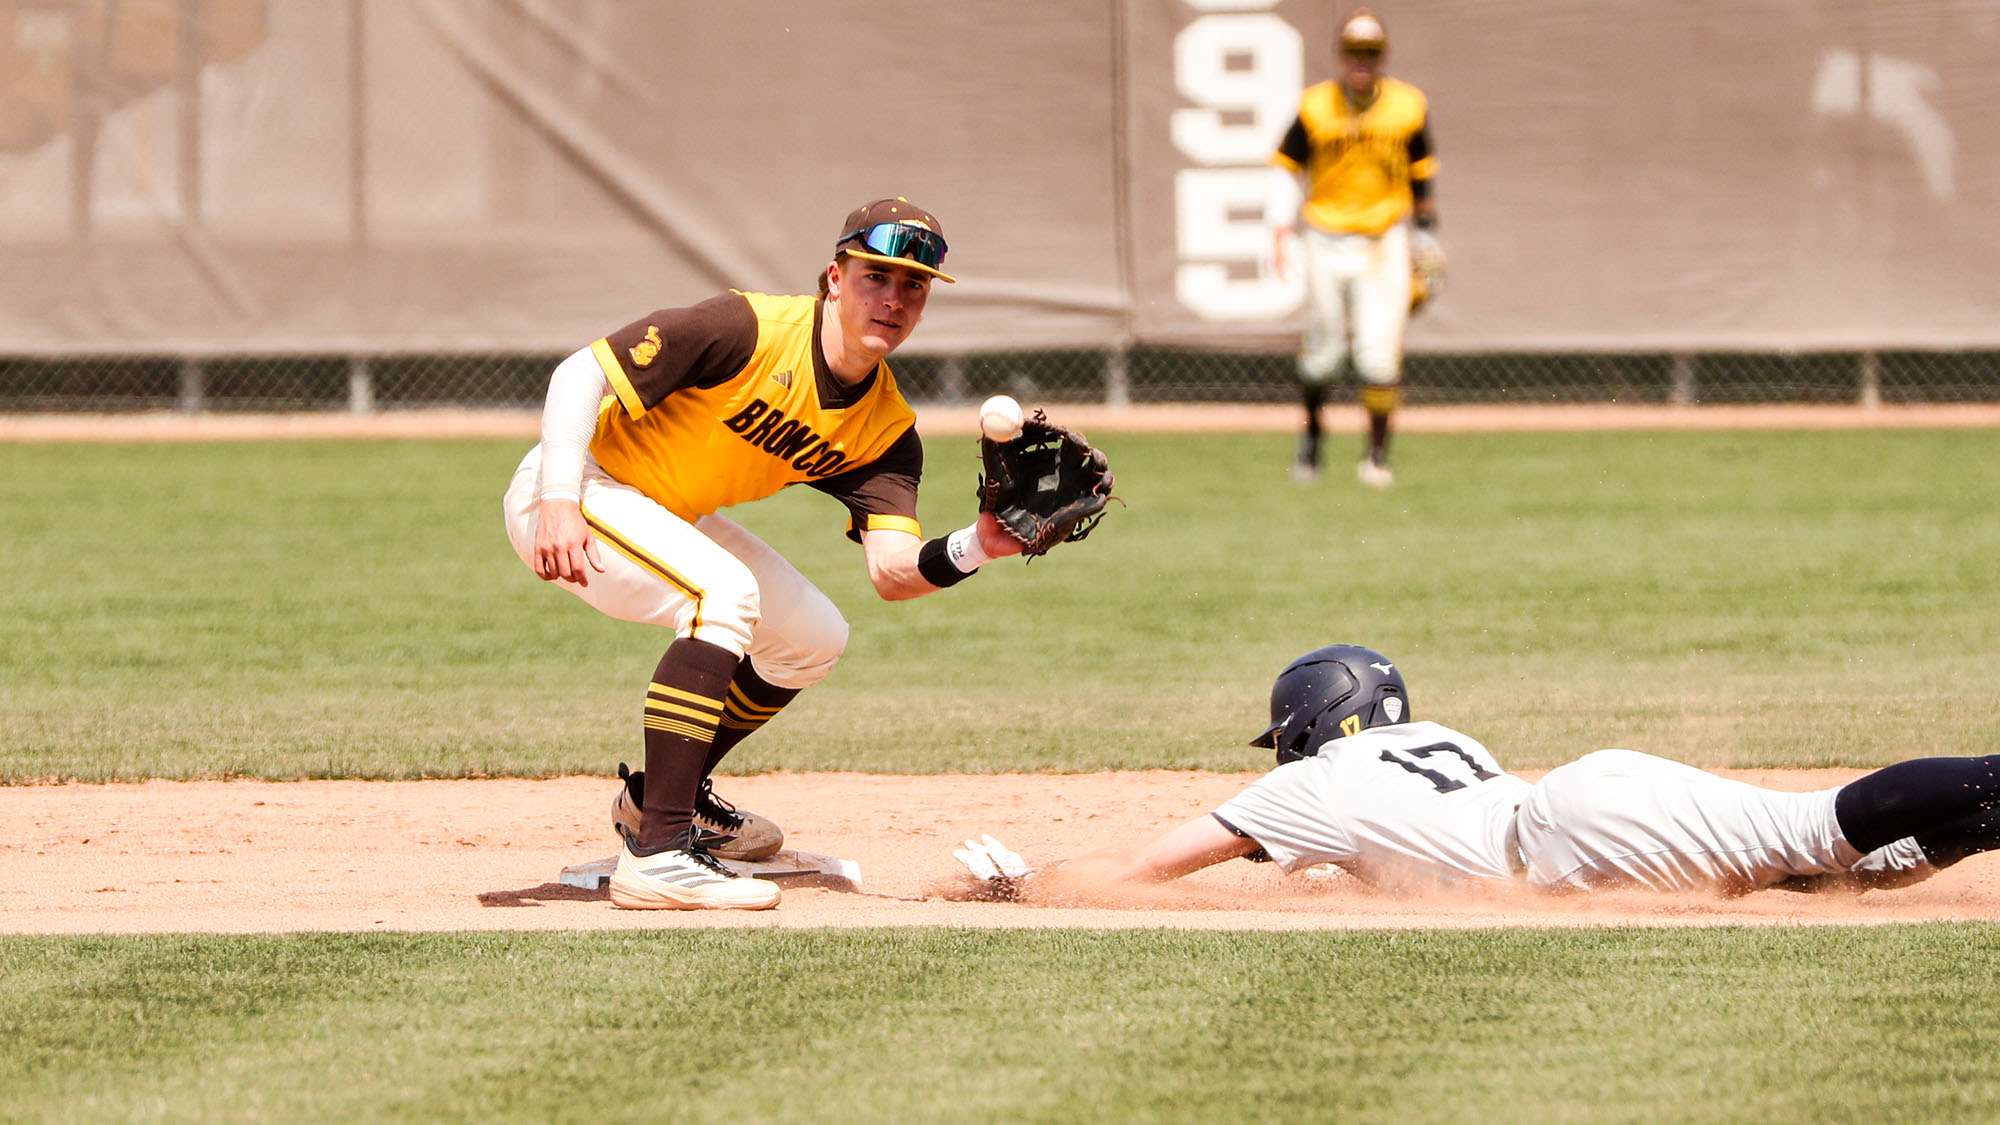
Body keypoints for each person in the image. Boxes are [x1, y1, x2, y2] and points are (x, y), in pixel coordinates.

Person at [505, 197, 1028, 912]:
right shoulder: (748, 329)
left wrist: (982, 544)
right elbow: (578, 373)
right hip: (575, 486)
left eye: (914, 285)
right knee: (721, 593)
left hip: (660, 511)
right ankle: (657, 852)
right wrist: (561, 497)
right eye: (876, 276)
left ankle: (658, 800)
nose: (894, 299)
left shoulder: (884, 430)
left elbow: (894, 575)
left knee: (815, 636)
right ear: (834, 278)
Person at [956, 645, 2000, 901]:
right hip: (1581, 802)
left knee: (1812, 838)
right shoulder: (1429, 743)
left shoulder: (1305, 788)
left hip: (1570, 835)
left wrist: (1017, 885)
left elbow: (1147, 866)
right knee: (1807, 872)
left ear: (1314, 725)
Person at [1266, 8, 1442, 487]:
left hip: (1385, 236)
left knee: (1379, 355)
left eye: (1370, 52)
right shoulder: (1315, 105)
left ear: (1382, 54)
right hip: (1324, 237)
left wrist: (1425, 232)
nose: (1361, 61)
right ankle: (1312, 443)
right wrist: (1279, 231)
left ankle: (1377, 458)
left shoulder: (1408, 104)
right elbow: (1286, 167)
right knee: (1321, 355)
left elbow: (1422, 172)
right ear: (1340, 54)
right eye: (1353, 52)